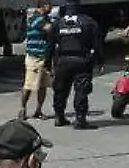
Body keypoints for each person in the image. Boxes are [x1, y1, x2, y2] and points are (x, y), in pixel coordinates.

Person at [50, 0, 104, 130]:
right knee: (81, 90)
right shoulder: (89, 21)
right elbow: (97, 44)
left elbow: (50, 44)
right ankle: (80, 119)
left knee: (60, 89)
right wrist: (100, 61)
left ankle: (59, 116)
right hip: (82, 60)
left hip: (63, 60)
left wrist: (48, 62)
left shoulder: (58, 23)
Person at [20, 0, 54, 121]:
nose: (51, 6)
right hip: (34, 58)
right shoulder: (36, 18)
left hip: (43, 57)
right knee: (29, 85)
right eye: (49, 4)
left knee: (43, 86)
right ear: (43, 6)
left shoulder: (45, 18)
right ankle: (22, 109)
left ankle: (38, 110)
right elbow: (50, 29)